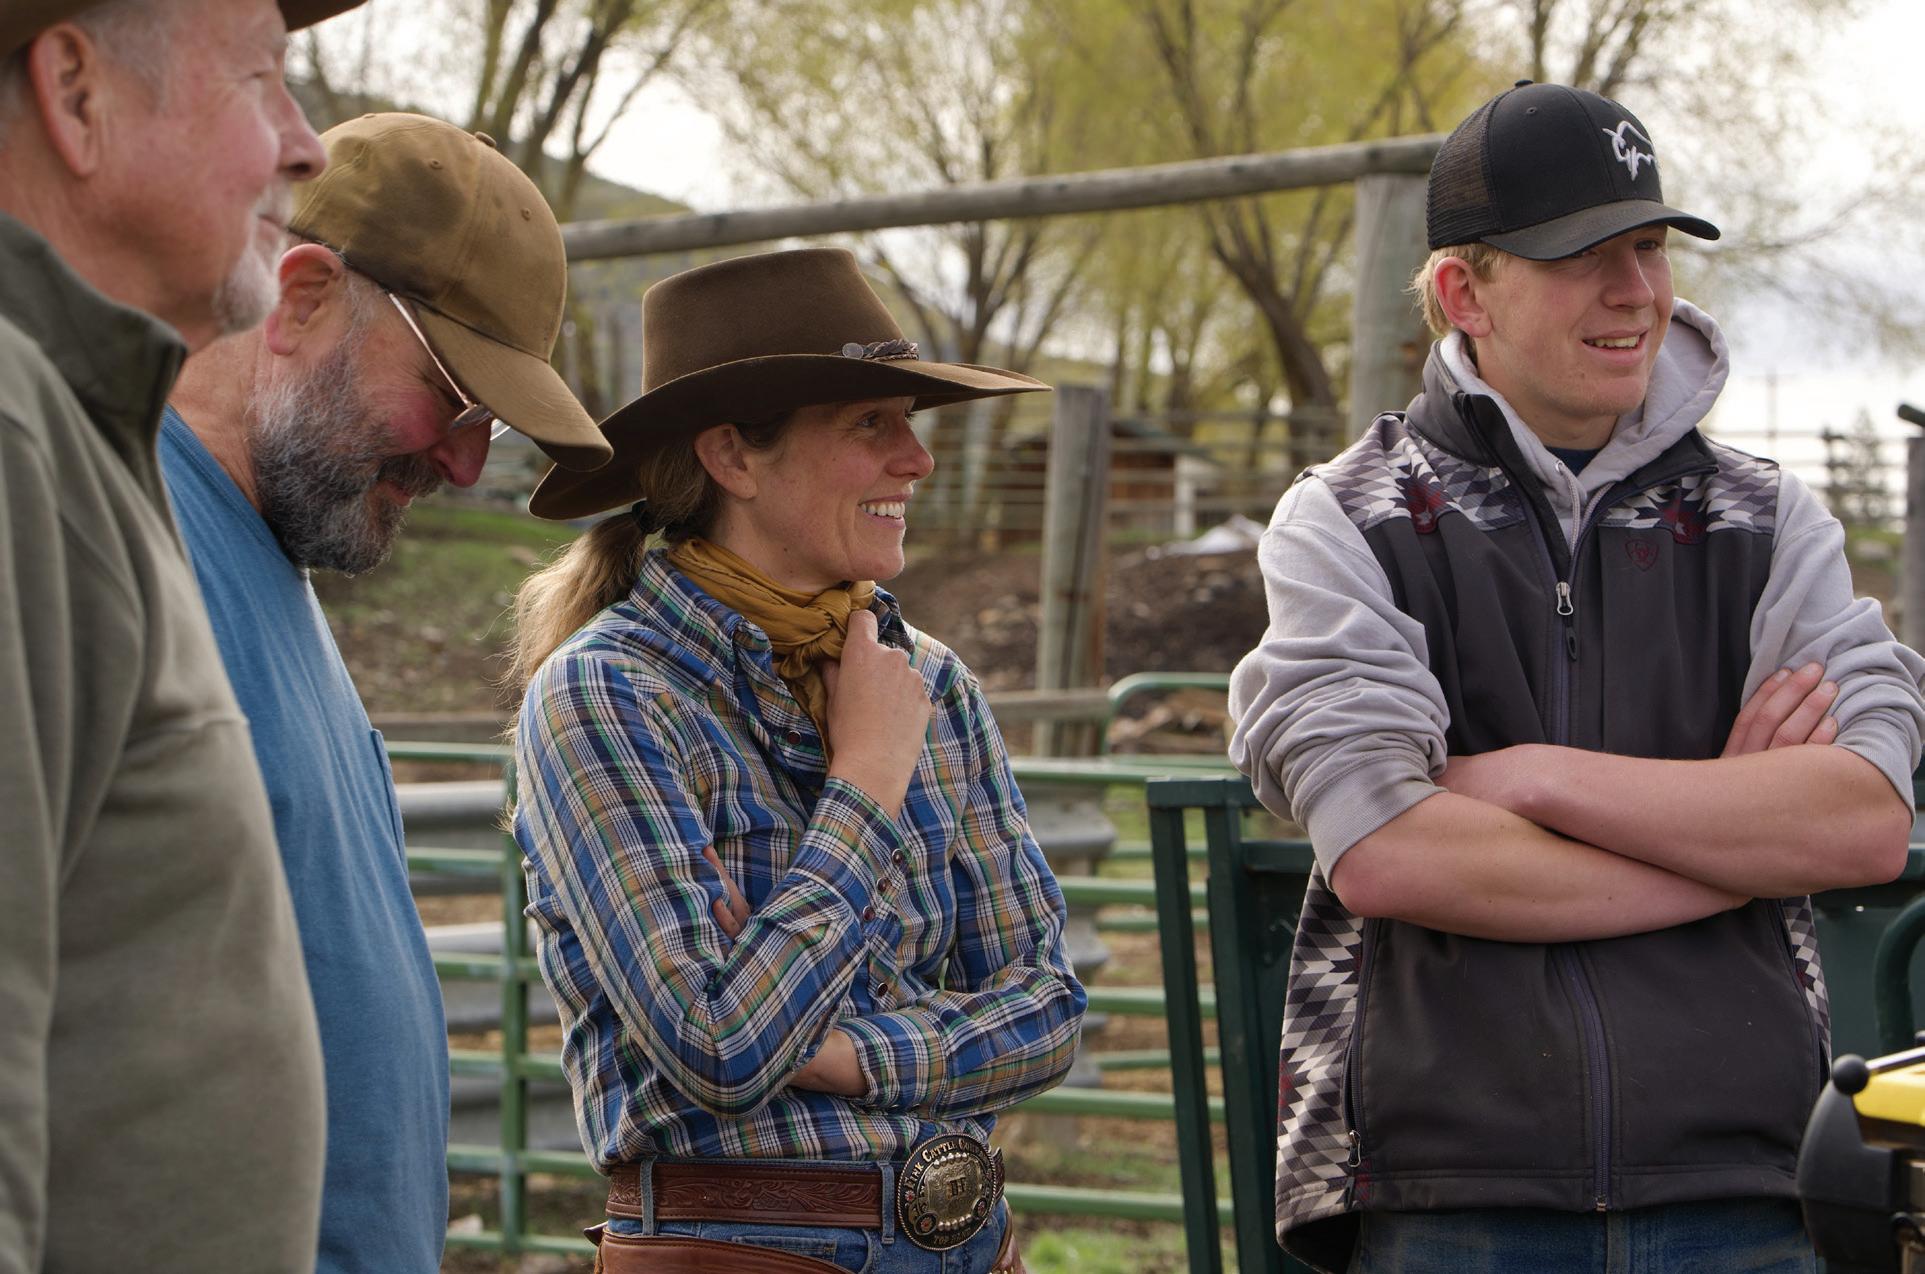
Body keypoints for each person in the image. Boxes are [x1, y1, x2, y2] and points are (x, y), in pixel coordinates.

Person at [1229, 80, 1925, 1273]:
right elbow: (1388, 851)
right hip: (1453, 1186)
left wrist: (1532, 776)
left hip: (1746, 1182)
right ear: (1464, 291)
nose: (1635, 290)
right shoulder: (1345, 519)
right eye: (1580, 255)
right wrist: (1729, 839)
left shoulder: (1766, 520)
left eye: (1648, 246)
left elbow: (1860, 821)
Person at [508, 246, 1087, 1274]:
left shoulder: (928, 680)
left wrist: (839, 1051)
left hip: (969, 1241)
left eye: (907, 421)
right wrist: (864, 782)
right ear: (732, 457)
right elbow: (722, 1048)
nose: (916, 460)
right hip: (743, 1251)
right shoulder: (607, 695)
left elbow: (1045, 1010)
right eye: (870, 424)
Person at [158, 112, 611, 1274]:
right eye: (450, 394)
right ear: (301, 296)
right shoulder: (124, 557)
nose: (464, 462)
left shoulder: (274, 570)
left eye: (486, 423)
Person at [0, 0, 362, 1269]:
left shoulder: (76, 430)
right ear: (76, 93)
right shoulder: (16, 438)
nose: (305, 143)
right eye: (263, 77)